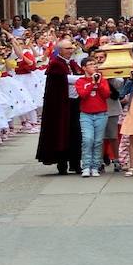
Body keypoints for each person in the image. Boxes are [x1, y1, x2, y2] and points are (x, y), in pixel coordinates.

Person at [36, 40, 82, 175]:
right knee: (62, 134)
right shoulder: (56, 64)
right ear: (60, 50)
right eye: (67, 48)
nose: (71, 50)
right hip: (60, 107)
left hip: (74, 104)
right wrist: (84, 78)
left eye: (72, 48)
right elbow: (66, 79)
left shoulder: (72, 63)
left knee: (76, 135)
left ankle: (75, 163)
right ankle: (62, 165)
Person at [75, 58, 111, 177]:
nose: (94, 66)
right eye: (90, 65)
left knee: (98, 141)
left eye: (94, 64)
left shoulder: (103, 80)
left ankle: (95, 166)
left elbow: (106, 94)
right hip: (86, 114)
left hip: (101, 114)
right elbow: (83, 95)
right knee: (87, 139)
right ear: (84, 68)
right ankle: (86, 165)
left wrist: (99, 83)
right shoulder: (80, 81)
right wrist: (92, 83)